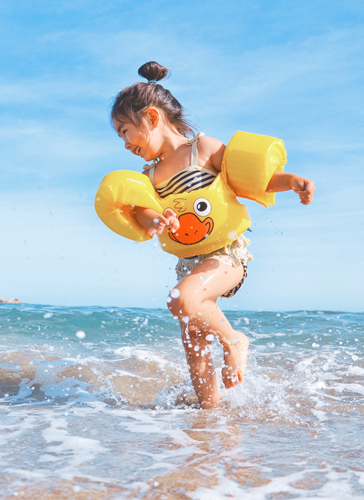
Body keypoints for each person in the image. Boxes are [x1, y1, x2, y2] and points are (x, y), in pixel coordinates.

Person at [110, 61, 315, 408]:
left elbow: (251, 179)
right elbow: (143, 211)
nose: (125, 143)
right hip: (188, 263)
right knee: (193, 342)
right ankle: (209, 418)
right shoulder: (150, 174)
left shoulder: (202, 149)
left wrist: (291, 180)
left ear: (152, 118)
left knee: (180, 300)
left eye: (125, 131)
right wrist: (156, 219)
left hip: (227, 255)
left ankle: (235, 341)